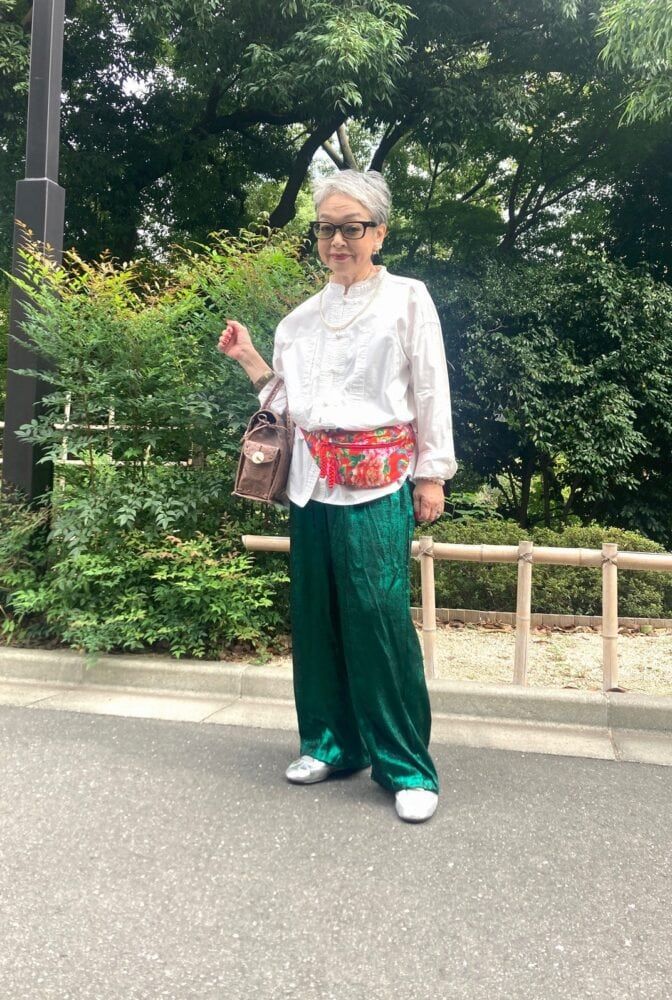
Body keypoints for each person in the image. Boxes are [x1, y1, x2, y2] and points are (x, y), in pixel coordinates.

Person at [217, 170, 457, 823]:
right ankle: (330, 743)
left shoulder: (408, 299)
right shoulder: (299, 319)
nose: (337, 241)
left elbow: (430, 387)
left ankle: (405, 765)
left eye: (352, 228)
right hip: (310, 483)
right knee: (317, 615)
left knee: (378, 618)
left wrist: (432, 473)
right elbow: (287, 402)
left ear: (379, 232)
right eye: (327, 228)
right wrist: (249, 358)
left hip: (379, 481)